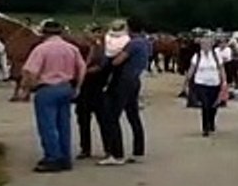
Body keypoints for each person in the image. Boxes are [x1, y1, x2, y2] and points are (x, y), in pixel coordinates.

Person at [20, 20, 86, 172]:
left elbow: (30, 71)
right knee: (64, 124)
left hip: (47, 88)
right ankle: (65, 157)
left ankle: (52, 157)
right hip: (66, 87)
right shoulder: (72, 48)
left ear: (44, 33)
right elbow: (82, 68)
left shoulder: (41, 49)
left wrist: (27, 88)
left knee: (47, 125)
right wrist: (77, 87)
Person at [97, 18, 151, 166]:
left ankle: (116, 153)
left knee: (112, 116)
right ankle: (138, 151)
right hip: (135, 80)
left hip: (123, 82)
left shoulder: (133, 44)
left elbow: (117, 61)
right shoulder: (145, 43)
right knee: (133, 116)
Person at [75, 24, 110, 160]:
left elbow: (103, 66)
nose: (89, 36)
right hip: (85, 89)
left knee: (103, 120)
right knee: (83, 120)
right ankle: (85, 148)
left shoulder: (103, 50)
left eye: (92, 33)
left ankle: (108, 147)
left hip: (97, 87)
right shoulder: (82, 49)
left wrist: (86, 71)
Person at [184, 35, 228, 136]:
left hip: (214, 83)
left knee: (213, 106)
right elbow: (192, 69)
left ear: (212, 45)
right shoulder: (197, 56)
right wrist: (186, 81)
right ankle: (205, 127)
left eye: (207, 44)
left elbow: (221, 69)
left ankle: (211, 121)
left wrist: (224, 81)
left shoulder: (216, 56)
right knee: (205, 105)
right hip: (201, 83)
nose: (205, 46)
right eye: (203, 44)